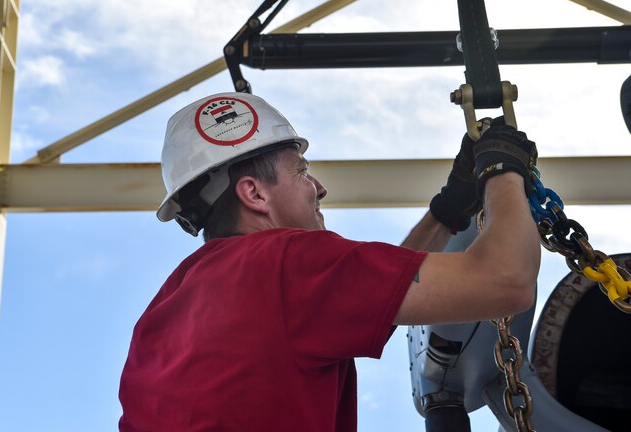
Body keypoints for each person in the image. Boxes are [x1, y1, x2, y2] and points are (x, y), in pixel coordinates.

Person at [118, 92, 541, 432]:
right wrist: (503, 170)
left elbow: (375, 297)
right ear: (255, 195)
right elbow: (507, 281)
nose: (318, 188)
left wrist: (446, 213)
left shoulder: (167, 308)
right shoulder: (288, 263)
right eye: (301, 172)